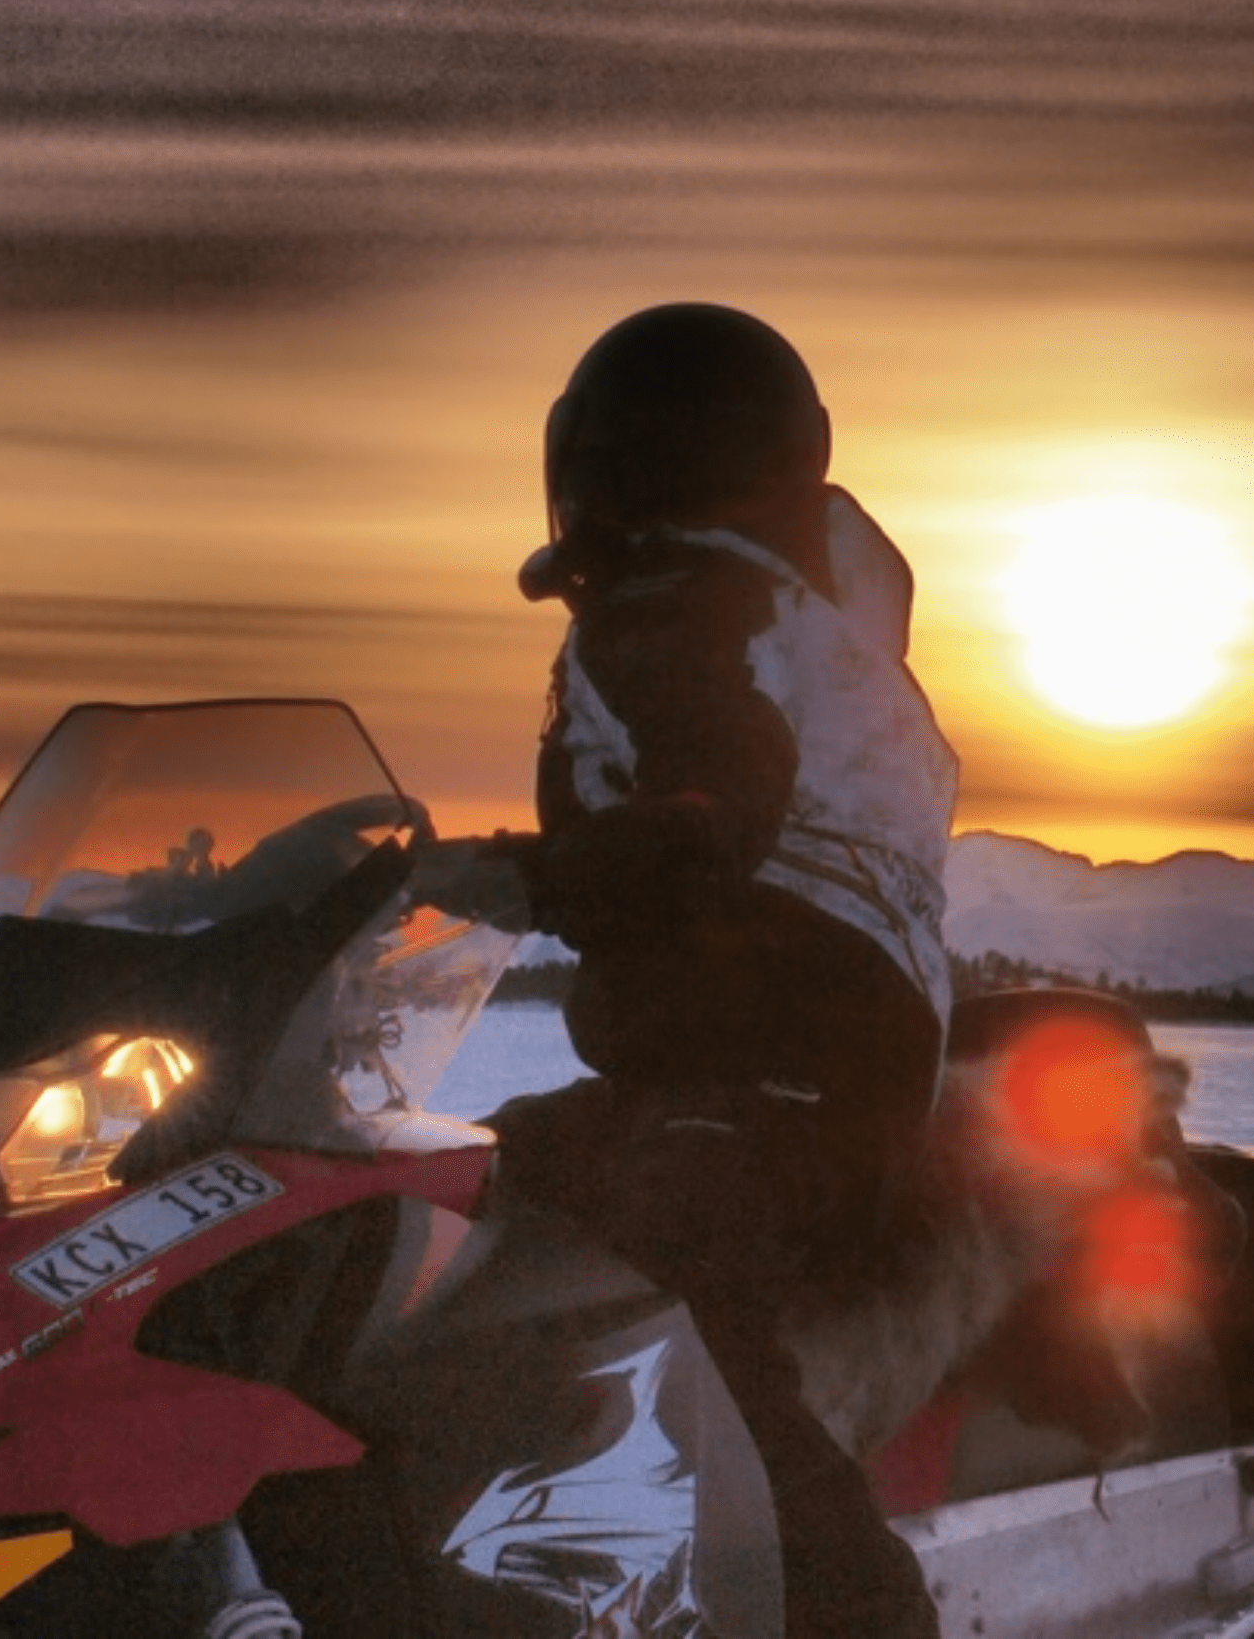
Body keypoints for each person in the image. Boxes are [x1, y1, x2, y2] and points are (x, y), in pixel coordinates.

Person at [487, 301, 954, 1637]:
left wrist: (535, 871)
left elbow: (718, 791)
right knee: (475, 1183)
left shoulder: (681, 609)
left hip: (767, 1070)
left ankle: (857, 1610)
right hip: (797, 1059)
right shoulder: (802, 616)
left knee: (692, 1324)